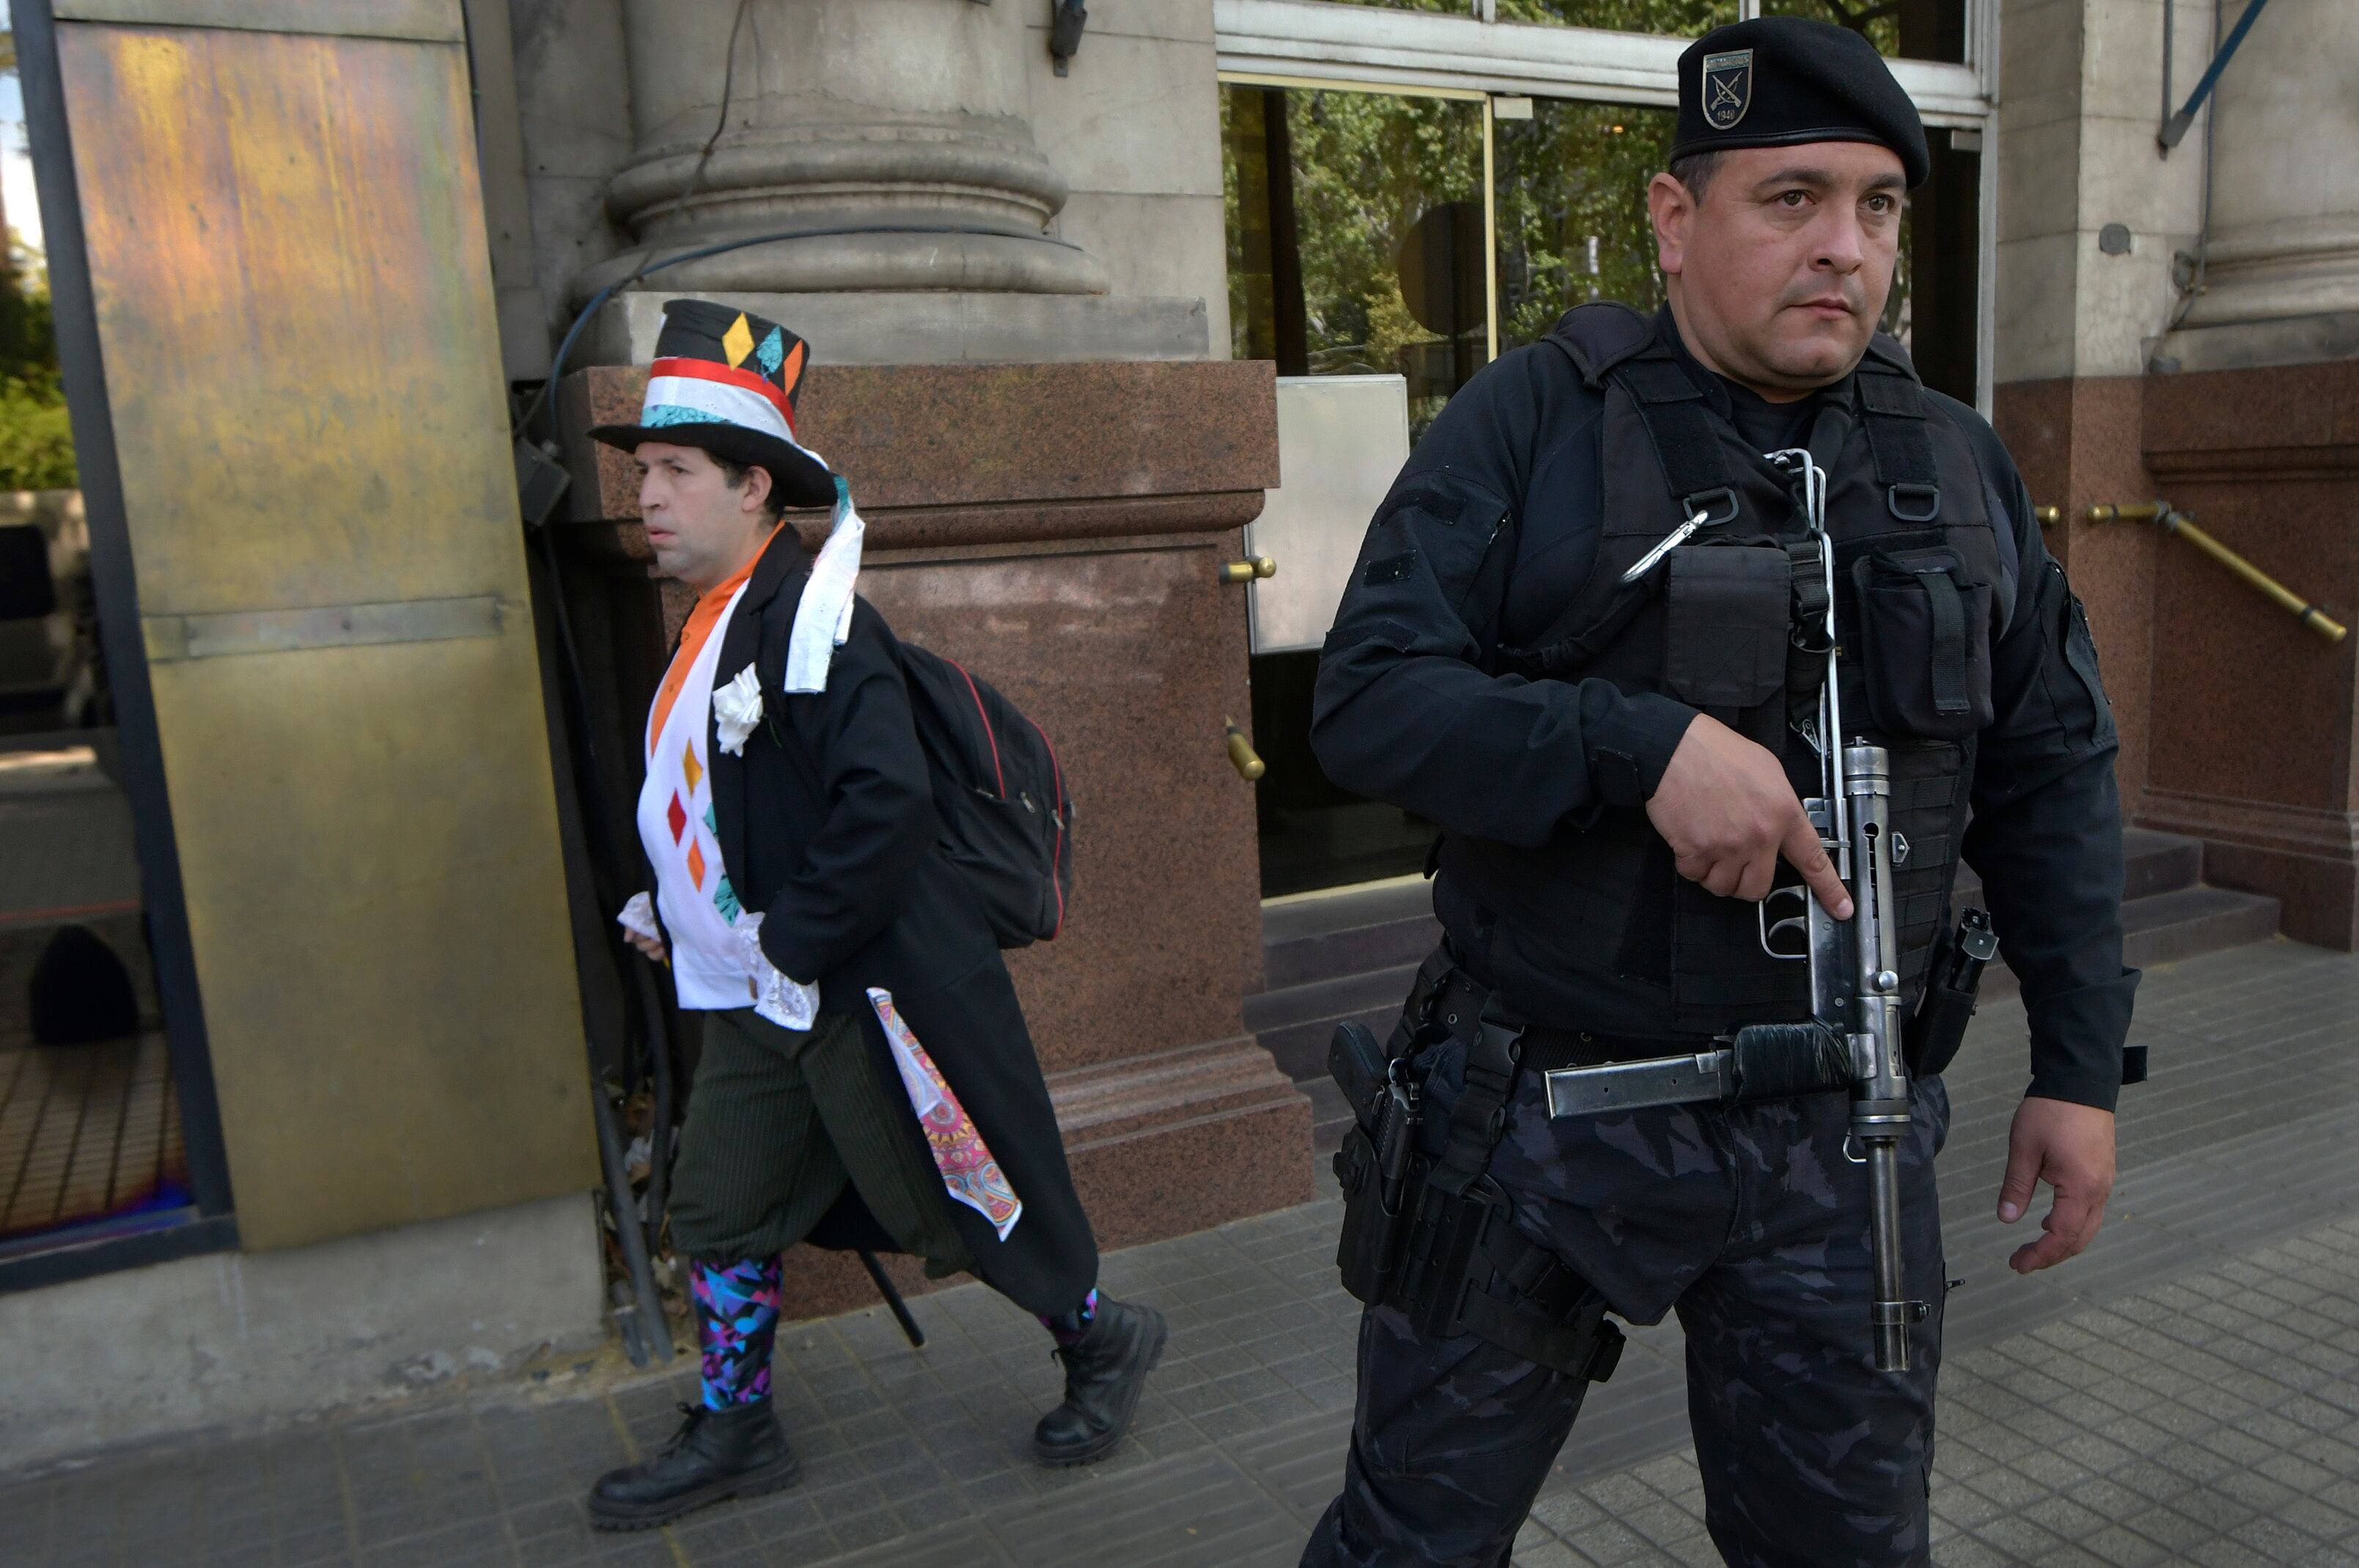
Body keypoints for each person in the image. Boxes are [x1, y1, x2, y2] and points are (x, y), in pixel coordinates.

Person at [1299, 19, 2139, 1568]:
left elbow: (2050, 775)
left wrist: (2077, 1066)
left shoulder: (1954, 465)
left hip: (1841, 1135)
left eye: (1879, 207)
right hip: (1543, 1119)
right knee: (1412, 1537)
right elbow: (1369, 702)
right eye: (1792, 198)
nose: (1844, 247)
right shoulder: (1538, 419)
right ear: (1675, 224)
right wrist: (1634, 746)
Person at [576, 301, 1164, 1531]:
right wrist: (677, 914)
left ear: (755, 487)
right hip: (760, 995)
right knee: (721, 1206)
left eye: (676, 472)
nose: (647, 496)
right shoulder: (713, 623)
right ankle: (739, 1428)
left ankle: (1103, 1339)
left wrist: (784, 945)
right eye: (643, 474)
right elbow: (727, 801)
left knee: (966, 1191)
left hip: (862, 988)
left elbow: (884, 809)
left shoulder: (819, 619)